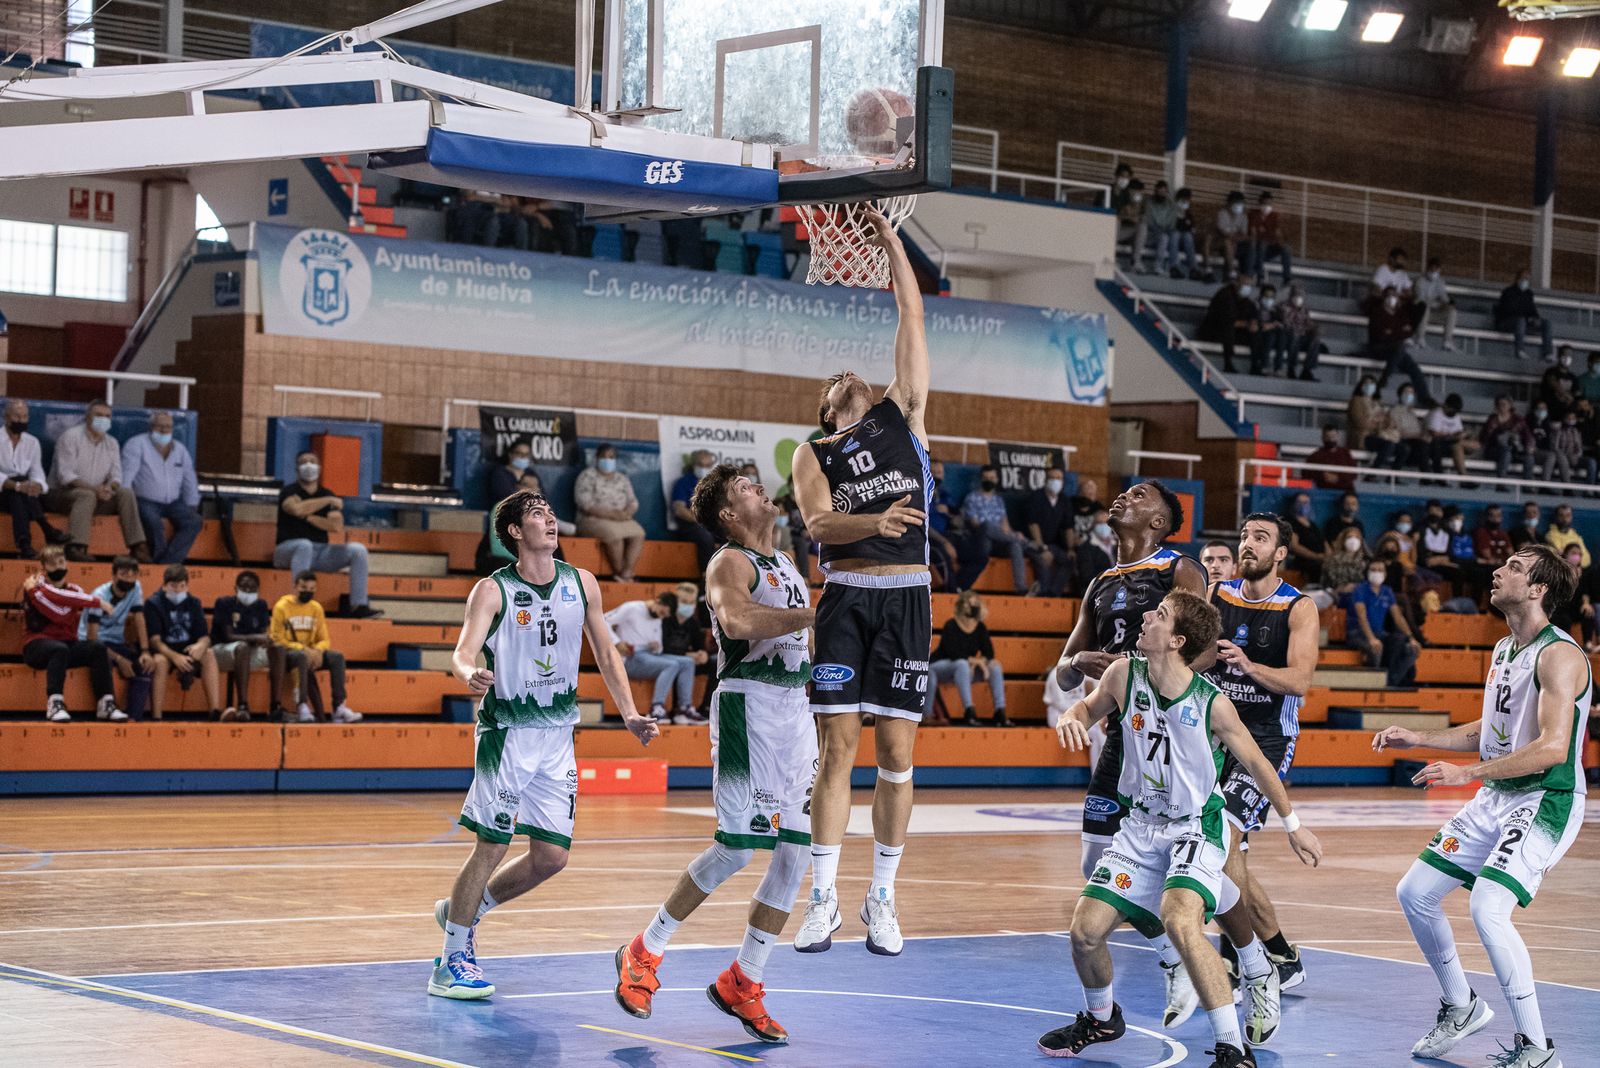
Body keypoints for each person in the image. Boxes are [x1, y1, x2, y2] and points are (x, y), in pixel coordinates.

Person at [1037, 590, 1322, 1066]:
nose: (1147, 616)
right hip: (1139, 827)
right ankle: (1102, 1017)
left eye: (1160, 615)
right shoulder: (1122, 674)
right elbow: (1088, 708)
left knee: (1181, 918)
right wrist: (1072, 715)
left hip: (1195, 826)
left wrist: (1294, 825)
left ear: (1177, 641)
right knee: (1085, 933)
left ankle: (1234, 1049)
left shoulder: (1212, 703)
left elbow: (1256, 762)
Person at [428, 489, 660, 1000]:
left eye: (551, 513)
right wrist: (470, 674)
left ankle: (464, 912)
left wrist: (628, 713)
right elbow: (463, 651)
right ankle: (451, 960)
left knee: (551, 858)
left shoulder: (583, 584)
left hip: (557, 738)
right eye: (537, 514)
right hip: (507, 734)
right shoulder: (493, 590)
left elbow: (605, 650)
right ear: (514, 530)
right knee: (492, 845)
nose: (550, 520)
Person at [614, 465, 815, 1044]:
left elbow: (805, 640)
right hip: (746, 706)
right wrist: (816, 614)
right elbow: (738, 619)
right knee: (737, 850)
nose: (762, 489)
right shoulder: (729, 562)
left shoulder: (791, 567)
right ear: (729, 514)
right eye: (748, 488)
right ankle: (643, 949)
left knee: (795, 856)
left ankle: (743, 980)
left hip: (794, 715)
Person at [1378, 545, 1586, 1068]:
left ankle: (1537, 1048)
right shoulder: (1503, 650)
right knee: (1415, 892)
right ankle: (1462, 1005)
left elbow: (1552, 747)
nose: (1498, 571)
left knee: (1487, 907)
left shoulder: (1558, 655)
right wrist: (1416, 738)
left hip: (1546, 798)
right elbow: (1490, 731)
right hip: (1497, 795)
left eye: (1515, 567)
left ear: (1538, 590)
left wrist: (1464, 775)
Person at [789, 207, 932, 958]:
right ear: (826, 409)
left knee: (897, 757)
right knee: (837, 747)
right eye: (836, 384)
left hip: (907, 594)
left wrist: (891, 244)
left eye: (857, 376)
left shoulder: (902, 414)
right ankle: (823, 899)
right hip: (846, 594)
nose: (850, 377)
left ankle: (882, 896)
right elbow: (816, 527)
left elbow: (910, 311)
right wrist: (874, 523)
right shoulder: (814, 452)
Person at [1055, 480, 1209, 1025]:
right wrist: (1084, 665)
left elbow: (1206, 647)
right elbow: (1066, 661)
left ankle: (1228, 961)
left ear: (1160, 523)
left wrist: (1144, 673)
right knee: (1095, 861)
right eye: (1124, 493)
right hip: (1122, 733)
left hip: (1173, 735)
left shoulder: (1179, 570)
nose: (1125, 498)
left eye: (1140, 496)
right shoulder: (1099, 580)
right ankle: (1176, 958)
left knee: (1182, 856)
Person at [1205, 514, 1320, 1007]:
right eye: (1245, 535)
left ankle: (1247, 956)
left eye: (1260, 538)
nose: (1247, 544)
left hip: (1269, 738)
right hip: (1215, 736)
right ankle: (1278, 955)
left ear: (1279, 554)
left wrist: (1249, 666)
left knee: (1223, 839)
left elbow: (1299, 682)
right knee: (1225, 854)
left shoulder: (1299, 607)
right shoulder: (1218, 596)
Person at [273, 451, 380, 619]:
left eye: (312, 461)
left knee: (358, 550)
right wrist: (326, 502)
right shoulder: (289, 491)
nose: (308, 465)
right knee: (304, 545)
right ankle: (299, 603)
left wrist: (308, 516)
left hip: (320, 551)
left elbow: (335, 526)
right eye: (303, 462)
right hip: (287, 550)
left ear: (320, 467)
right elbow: (294, 509)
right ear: (297, 468)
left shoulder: (326, 492)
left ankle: (359, 605)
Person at [21, 544, 122, 723]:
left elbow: (63, 606)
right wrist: (97, 602)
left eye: (61, 562)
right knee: (58, 649)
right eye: (53, 564)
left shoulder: (74, 591)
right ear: (43, 568)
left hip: (66, 645)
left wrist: (36, 592)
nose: (59, 567)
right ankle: (55, 704)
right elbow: (58, 614)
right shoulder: (35, 587)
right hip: (36, 645)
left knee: (97, 648)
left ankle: (106, 703)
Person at [46, 400, 150, 564]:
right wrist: (96, 490)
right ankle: (76, 546)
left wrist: (109, 488)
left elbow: (117, 476)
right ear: (88, 417)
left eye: (107, 416)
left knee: (125, 492)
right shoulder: (70, 437)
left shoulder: (112, 443)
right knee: (86, 495)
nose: (103, 419)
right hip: (61, 495)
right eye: (99, 415)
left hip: (97, 496)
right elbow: (65, 476)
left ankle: (138, 547)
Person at [270, 571, 361, 723]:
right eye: (303, 587)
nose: (307, 592)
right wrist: (303, 649)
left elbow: (324, 639)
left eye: (312, 589)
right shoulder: (281, 607)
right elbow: (277, 638)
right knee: (300, 656)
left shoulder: (316, 608)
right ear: (295, 586)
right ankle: (302, 706)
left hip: (311, 653)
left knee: (337, 657)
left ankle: (339, 707)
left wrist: (318, 651)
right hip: (288, 654)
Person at [145, 564, 226, 721]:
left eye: (182, 586)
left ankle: (215, 711)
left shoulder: (193, 602)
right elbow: (155, 641)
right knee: (159, 661)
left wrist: (200, 645)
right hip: (165, 651)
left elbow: (204, 637)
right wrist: (175, 657)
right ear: (164, 586)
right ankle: (157, 716)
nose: (178, 590)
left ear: (187, 586)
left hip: (187, 649)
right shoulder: (154, 603)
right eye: (173, 586)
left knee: (208, 653)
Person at [121, 410, 202, 565]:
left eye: (168, 427)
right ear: (151, 427)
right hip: (144, 500)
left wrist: (192, 504)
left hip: (173, 502)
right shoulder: (137, 444)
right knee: (153, 522)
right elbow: (127, 475)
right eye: (160, 427)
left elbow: (189, 479)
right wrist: (124, 500)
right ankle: (158, 561)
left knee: (194, 521)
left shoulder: (180, 450)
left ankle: (167, 563)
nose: (164, 430)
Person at [81, 555, 154, 722]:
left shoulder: (135, 588)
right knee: (102, 660)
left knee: (145, 666)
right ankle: (108, 709)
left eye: (132, 575)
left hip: (116, 641)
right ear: (113, 575)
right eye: (123, 574)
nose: (129, 579)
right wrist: (119, 659)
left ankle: (132, 718)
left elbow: (139, 618)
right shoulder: (99, 595)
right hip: (92, 642)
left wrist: (145, 651)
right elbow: (92, 639)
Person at [608, 592, 699, 723]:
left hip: (648, 655)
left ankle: (684, 708)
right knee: (671, 665)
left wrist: (657, 646)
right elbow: (603, 620)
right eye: (662, 612)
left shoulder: (658, 617)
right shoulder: (632, 608)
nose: (662, 617)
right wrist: (616, 642)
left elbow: (659, 648)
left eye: (665, 615)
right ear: (658, 601)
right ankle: (656, 707)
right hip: (629, 657)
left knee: (688, 662)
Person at [961, 464, 1051, 596]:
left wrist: (1014, 534)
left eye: (992, 477)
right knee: (987, 525)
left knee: (1014, 544)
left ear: (996, 480)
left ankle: (1020, 588)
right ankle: (1027, 543)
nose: (989, 480)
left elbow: (1006, 527)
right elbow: (976, 525)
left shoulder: (998, 500)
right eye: (986, 477)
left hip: (999, 541)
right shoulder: (972, 498)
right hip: (982, 540)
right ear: (981, 479)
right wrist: (1011, 535)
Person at [212, 570, 288, 721]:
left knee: (278, 648)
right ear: (236, 588)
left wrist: (266, 640)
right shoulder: (224, 603)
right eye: (244, 587)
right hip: (222, 651)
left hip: (248, 652)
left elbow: (262, 635)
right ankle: (243, 706)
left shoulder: (261, 605)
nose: (247, 591)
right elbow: (228, 636)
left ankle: (276, 706)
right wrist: (255, 637)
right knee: (242, 647)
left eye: (252, 588)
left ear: (258, 590)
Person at [931, 590, 1009, 727]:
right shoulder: (951, 624)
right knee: (962, 664)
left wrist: (981, 662)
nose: (974, 606)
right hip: (942, 666)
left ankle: (1000, 712)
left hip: (965, 670)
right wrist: (975, 661)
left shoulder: (980, 627)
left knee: (995, 666)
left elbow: (989, 652)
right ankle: (969, 711)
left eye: (976, 603)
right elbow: (952, 652)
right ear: (962, 605)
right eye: (970, 603)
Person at [1, 398, 67, 558]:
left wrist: (37, 485)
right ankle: (46, 529)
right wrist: (17, 485)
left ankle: (25, 544)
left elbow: (37, 472)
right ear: (6, 416)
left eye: (24, 416)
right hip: (2, 492)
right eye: (17, 416)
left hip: (21, 495)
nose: (21, 420)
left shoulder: (32, 442)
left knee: (20, 495)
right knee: (18, 489)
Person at [575, 443, 646, 582]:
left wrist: (628, 512)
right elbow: (585, 504)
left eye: (611, 457)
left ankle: (627, 572)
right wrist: (612, 514)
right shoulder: (587, 476)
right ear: (597, 458)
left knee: (639, 533)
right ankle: (618, 572)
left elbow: (633, 501)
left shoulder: (622, 478)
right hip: (592, 519)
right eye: (604, 457)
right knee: (615, 536)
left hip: (621, 518)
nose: (608, 460)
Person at [1345, 560, 1420, 686]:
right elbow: (1362, 616)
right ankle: (1375, 683)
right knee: (1376, 647)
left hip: (1379, 633)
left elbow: (1398, 618)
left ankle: (1390, 682)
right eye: (1373, 570)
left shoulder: (1387, 591)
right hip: (1358, 633)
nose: (1377, 573)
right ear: (1367, 572)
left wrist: (1411, 638)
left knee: (1410, 648)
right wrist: (1371, 638)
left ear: (1385, 574)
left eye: (1380, 570)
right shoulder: (1360, 590)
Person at [1368, 287, 1431, 407]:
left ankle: (1425, 398)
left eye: (1395, 295)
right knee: (1399, 347)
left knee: (1414, 368)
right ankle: (1385, 378)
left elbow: (1408, 332)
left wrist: (1392, 332)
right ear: (1384, 297)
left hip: (1395, 350)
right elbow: (1380, 335)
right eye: (1389, 295)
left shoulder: (1400, 313)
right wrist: (1398, 332)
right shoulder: (1377, 312)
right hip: (1378, 348)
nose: (1392, 298)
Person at [661, 580, 712, 724]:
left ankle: (706, 707)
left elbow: (699, 646)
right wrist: (689, 655)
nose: (688, 605)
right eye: (684, 601)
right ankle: (680, 708)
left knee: (715, 662)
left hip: (687, 660)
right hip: (667, 658)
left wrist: (702, 654)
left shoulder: (692, 622)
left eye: (691, 602)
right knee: (683, 662)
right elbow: (663, 648)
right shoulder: (665, 619)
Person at [1196, 273, 1258, 375]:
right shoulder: (1225, 294)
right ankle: (1228, 363)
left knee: (1256, 332)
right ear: (1237, 283)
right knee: (1228, 329)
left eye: (1249, 285)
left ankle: (1255, 365)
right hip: (1213, 331)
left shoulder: (1246, 301)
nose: (1247, 288)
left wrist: (1254, 323)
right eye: (1245, 284)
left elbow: (1253, 314)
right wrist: (1246, 324)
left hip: (1235, 332)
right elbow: (1227, 320)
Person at [1024, 466, 1072, 597]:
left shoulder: (1063, 500)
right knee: (1042, 560)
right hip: (1033, 543)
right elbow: (1033, 524)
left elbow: (1068, 526)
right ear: (1045, 480)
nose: (1056, 481)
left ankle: (1053, 594)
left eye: (1059, 478)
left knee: (1069, 560)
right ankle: (1042, 593)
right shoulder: (1036, 497)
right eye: (1052, 478)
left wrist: (1071, 548)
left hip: (1053, 545)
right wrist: (1042, 548)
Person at [670, 449, 720, 570]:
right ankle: (707, 574)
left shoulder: (717, 484)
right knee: (705, 536)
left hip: (713, 524)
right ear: (693, 465)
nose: (704, 468)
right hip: (691, 525)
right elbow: (679, 509)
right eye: (700, 465)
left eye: (707, 465)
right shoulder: (683, 483)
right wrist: (700, 520)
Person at [1494, 269, 1555, 361]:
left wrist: (1536, 319)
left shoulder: (1528, 294)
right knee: (1521, 320)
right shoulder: (1508, 292)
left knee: (1546, 323)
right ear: (1517, 279)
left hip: (1524, 322)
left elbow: (1532, 310)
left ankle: (1548, 353)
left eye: (1527, 279)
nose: (1526, 281)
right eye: (1524, 278)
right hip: (1506, 321)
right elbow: (1508, 310)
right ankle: (1520, 350)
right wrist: (1528, 319)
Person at [1479, 395, 1537, 480]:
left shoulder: (1518, 420)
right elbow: (1483, 438)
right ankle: (1502, 482)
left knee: (1529, 458)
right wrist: (1490, 429)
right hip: (1495, 450)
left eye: (1504, 404)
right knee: (1506, 452)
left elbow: (1528, 436)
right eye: (1499, 405)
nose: (1501, 407)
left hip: (1515, 450)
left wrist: (1529, 447)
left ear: (1510, 405)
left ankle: (1527, 484)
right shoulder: (1492, 419)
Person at [1347, 376, 1398, 469]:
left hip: (1379, 436)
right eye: (1366, 383)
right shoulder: (1356, 401)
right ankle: (1373, 473)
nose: (1369, 386)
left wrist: (1379, 422)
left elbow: (1388, 422)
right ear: (1361, 386)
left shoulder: (1378, 403)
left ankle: (1395, 476)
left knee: (1404, 449)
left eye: (1372, 384)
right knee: (1388, 445)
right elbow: (1360, 424)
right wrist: (1378, 423)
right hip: (1363, 437)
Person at [1426, 394, 1479, 478]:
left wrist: (1465, 434)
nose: (1453, 413)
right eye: (1452, 410)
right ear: (1446, 405)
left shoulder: (1455, 416)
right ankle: (1464, 477)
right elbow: (1434, 434)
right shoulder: (1436, 413)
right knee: (1457, 446)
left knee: (1472, 443)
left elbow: (1458, 431)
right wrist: (1451, 436)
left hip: (1452, 442)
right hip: (1438, 444)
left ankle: (1464, 476)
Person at [1246, 191, 1292, 284]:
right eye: (1264, 203)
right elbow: (1253, 233)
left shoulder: (1275, 216)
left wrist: (1281, 243)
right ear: (1260, 203)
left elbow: (1277, 233)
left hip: (1270, 247)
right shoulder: (1253, 214)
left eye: (1269, 204)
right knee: (1262, 244)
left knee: (1286, 248)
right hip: (1258, 247)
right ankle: (1260, 275)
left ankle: (1287, 278)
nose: (1267, 206)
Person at [1276, 285, 1320, 382]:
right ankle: (1291, 368)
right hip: (1287, 337)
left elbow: (1308, 323)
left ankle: (1307, 370)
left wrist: (1314, 329)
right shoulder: (1283, 307)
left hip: (1301, 336)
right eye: (1296, 295)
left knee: (1315, 339)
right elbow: (1287, 324)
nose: (1298, 298)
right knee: (1295, 335)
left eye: (1301, 296)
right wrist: (1302, 330)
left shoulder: (1304, 310)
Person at [1414, 257, 1458, 352]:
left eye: (1436, 269)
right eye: (1432, 269)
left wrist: (1447, 305)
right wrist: (1438, 305)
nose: (1434, 271)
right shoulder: (1420, 281)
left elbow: (1444, 297)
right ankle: (1420, 339)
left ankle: (1447, 341)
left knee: (1452, 312)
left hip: (1434, 313)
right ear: (1428, 269)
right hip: (1421, 313)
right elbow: (1421, 300)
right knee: (1424, 307)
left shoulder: (1440, 281)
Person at [1282, 492, 1326, 584]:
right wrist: (1316, 557)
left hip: (1320, 559)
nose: (1303, 505)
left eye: (1306, 502)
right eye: (1300, 502)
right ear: (1293, 504)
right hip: (1302, 561)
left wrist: (1329, 557)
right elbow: (1294, 546)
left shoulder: (1312, 524)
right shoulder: (1290, 521)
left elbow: (1324, 541)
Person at [1207, 190, 1250, 280]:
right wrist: (1235, 236)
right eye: (1236, 203)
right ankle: (1231, 271)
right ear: (1229, 203)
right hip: (1218, 243)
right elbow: (1223, 232)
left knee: (1231, 244)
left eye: (1241, 203)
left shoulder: (1243, 217)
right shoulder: (1222, 214)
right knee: (1228, 242)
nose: (1239, 205)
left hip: (1235, 245)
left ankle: (1231, 274)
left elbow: (1244, 235)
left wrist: (1235, 237)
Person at [1139, 180, 1177, 275]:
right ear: (1155, 190)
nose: (1161, 194)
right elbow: (1148, 219)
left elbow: (1171, 222)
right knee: (1164, 237)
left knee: (1171, 236)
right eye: (1159, 191)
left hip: (1163, 233)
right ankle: (1157, 265)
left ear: (1166, 192)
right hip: (1149, 234)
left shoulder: (1170, 204)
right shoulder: (1148, 201)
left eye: (1164, 192)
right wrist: (1160, 228)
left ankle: (1171, 266)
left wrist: (1163, 228)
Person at [1322, 526, 1369, 600]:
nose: (1353, 540)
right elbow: (1325, 585)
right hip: (1336, 599)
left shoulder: (1366, 562)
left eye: (1357, 537)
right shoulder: (1331, 561)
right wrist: (1337, 590)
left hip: (1361, 599)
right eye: (1349, 537)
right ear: (1343, 540)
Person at [1250, 284, 1287, 377]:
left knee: (1281, 335)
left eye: (1271, 296)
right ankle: (1264, 365)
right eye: (1266, 296)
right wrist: (1262, 325)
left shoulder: (1275, 307)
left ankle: (1278, 367)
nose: (1269, 299)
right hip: (1259, 331)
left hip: (1272, 330)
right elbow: (1252, 321)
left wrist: (1272, 325)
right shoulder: (1255, 305)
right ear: (1262, 295)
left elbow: (1281, 321)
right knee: (1271, 336)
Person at [1305, 424, 1355, 491]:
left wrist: (1338, 478)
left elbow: (1354, 473)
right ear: (1322, 437)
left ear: (1338, 437)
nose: (1330, 439)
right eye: (1327, 437)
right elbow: (1306, 473)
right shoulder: (1315, 456)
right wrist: (1323, 476)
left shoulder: (1346, 454)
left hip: (1344, 490)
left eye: (1333, 436)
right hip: (1322, 490)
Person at [1393, 384, 1429, 471]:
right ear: (1400, 395)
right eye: (1406, 392)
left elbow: (1418, 430)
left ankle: (1436, 477)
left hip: (1415, 440)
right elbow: (1398, 432)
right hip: (1403, 440)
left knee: (1434, 443)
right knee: (1422, 445)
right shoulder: (1395, 411)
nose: (1409, 395)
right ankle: (1426, 477)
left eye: (1411, 393)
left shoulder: (1411, 413)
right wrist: (1418, 436)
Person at [1168, 188, 1201, 280]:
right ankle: (1174, 267)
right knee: (1175, 234)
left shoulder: (1189, 215)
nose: (1185, 203)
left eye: (1187, 200)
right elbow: (1171, 226)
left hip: (1185, 242)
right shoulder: (1171, 212)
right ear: (1177, 200)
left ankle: (1193, 269)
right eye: (1183, 200)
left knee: (1188, 236)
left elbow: (1191, 229)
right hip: (1172, 240)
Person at [1543, 504, 1589, 568]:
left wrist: (1576, 564)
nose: (1565, 519)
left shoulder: (1576, 536)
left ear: (1571, 517)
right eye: (1561, 515)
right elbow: (1558, 560)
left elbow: (1587, 560)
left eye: (1568, 515)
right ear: (1556, 517)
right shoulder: (1549, 536)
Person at [1474, 505, 1514, 576]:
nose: (1495, 519)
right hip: (1489, 567)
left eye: (1498, 516)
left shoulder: (1503, 533)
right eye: (1492, 516)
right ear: (1486, 517)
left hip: (1503, 565)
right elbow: (1487, 556)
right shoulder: (1481, 532)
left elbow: (1511, 554)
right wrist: (1501, 562)